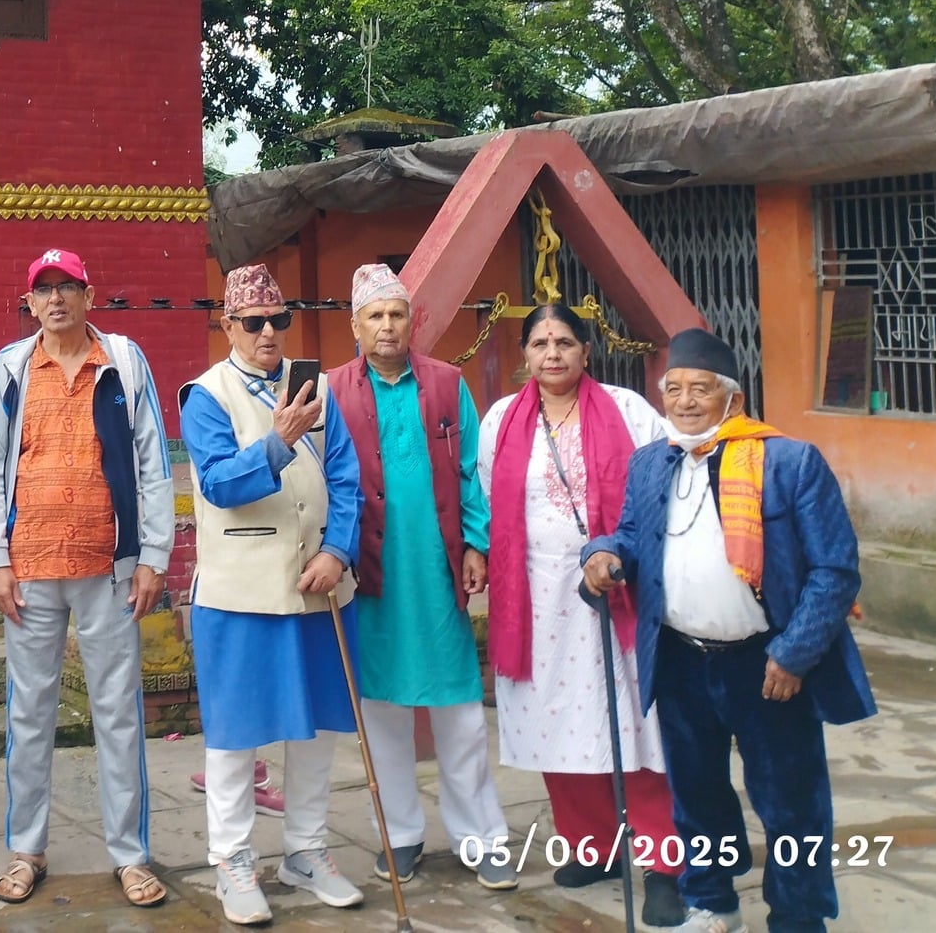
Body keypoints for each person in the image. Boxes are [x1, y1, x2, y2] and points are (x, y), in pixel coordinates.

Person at [583, 328, 874, 933]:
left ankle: (799, 917)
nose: (685, 401)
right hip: (683, 660)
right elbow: (633, 537)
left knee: (791, 803)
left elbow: (835, 569)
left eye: (701, 390)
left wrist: (794, 654)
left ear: (733, 401)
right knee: (698, 796)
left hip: (767, 664)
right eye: (674, 389)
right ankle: (713, 903)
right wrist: (604, 554)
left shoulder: (788, 462)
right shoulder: (651, 462)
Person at [0, 249, 175, 909]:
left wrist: (153, 557)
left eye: (68, 288)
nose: (56, 299)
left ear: (91, 295)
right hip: (29, 568)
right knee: (28, 715)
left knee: (117, 713)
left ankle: (130, 854)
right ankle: (26, 849)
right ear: (29, 301)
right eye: (44, 289)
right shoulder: (11, 367)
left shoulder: (122, 362)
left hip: (108, 568)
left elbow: (151, 462)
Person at [478, 303, 683, 925]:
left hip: (617, 590)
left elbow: (660, 489)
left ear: (586, 351)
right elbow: (488, 499)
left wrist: (620, 555)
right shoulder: (499, 421)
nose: (553, 353)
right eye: (540, 343)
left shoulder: (627, 410)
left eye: (565, 341)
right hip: (535, 598)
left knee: (634, 726)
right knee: (553, 722)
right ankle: (592, 845)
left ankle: (662, 863)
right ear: (525, 354)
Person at [181, 264, 364, 923]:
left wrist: (337, 551)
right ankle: (232, 859)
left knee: (316, 728)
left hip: (318, 586)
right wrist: (280, 441)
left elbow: (345, 475)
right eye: (252, 322)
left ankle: (307, 848)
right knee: (235, 734)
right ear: (227, 325)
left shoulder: (314, 389)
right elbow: (221, 485)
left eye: (277, 321)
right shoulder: (206, 394)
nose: (267, 333)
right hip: (240, 592)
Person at [325, 262, 513, 888]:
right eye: (374, 316)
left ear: (413, 322)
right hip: (370, 573)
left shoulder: (446, 383)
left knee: (459, 709)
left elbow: (470, 474)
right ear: (355, 325)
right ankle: (399, 834)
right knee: (381, 710)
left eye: (396, 314)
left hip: (436, 570)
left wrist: (476, 545)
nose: (386, 326)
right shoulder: (332, 390)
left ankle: (481, 838)